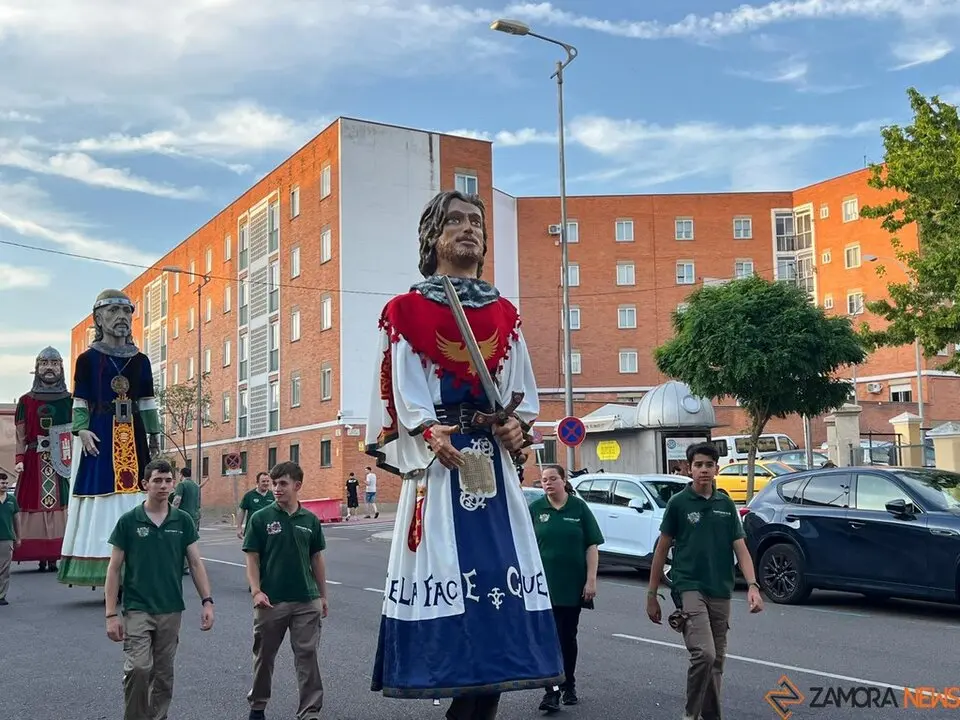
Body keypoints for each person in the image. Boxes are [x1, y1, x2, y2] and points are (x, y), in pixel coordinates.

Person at [364, 189, 563, 719]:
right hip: (443, 464)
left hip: (492, 467)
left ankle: (485, 690)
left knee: (501, 575)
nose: (469, 228)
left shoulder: (504, 313)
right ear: (433, 237)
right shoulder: (406, 311)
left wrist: (517, 427)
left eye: (475, 220)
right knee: (448, 568)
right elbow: (402, 390)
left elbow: (521, 390)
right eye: (454, 220)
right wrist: (429, 431)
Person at [646, 441, 764, 720]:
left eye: (709, 465)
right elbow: (662, 549)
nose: (704, 470)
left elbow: (740, 548)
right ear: (689, 469)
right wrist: (652, 594)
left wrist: (753, 586)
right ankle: (690, 715)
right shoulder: (678, 503)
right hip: (688, 586)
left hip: (720, 588)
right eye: (698, 465)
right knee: (705, 654)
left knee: (717, 661)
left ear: (716, 469)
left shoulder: (725, 504)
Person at [59, 289, 161, 589]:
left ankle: (139, 568)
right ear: (98, 318)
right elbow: (80, 400)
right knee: (101, 493)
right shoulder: (87, 359)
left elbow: (147, 402)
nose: (121, 317)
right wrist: (81, 429)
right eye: (113, 311)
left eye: (127, 311)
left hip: (135, 434)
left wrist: (154, 435)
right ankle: (105, 567)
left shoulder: (141, 360)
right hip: (100, 433)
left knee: (137, 490)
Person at [104, 458, 215, 720]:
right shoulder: (129, 521)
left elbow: (195, 563)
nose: (163, 486)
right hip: (138, 608)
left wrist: (207, 601)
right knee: (139, 668)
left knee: (163, 675)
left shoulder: (182, 521)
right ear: (145, 484)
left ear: (173, 484)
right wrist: (111, 614)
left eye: (167, 481)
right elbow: (114, 569)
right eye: (157, 481)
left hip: (170, 608)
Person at [243, 461, 328, 720]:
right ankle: (258, 706)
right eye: (274, 483)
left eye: (282, 484)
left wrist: (323, 596)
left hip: (306, 600)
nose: (276, 489)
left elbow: (316, 558)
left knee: (307, 656)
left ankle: (309, 711)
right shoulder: (261, 518)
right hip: (271, 601)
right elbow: (252, 558)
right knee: (264, 656)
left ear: (297, 485)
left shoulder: (310, 520)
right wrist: (256, 591)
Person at [529, 464, 603, 711]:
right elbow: (524, 545)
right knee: (549, 638)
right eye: (544, 480)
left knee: (567, 636)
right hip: (543, 588)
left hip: (572, 585)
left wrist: (591, 580)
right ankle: (551, 692)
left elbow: (592, 545)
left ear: (563, 481)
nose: (548, 483)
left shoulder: (579, 508)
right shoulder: (536, 509)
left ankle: (568, 683)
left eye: (553, 479)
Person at [12, 346, 73, 572]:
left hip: (61, 462)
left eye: (54, 364)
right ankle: (37, 553)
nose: (49, 368)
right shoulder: (26, 401)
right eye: (45, 363)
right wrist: (19, 458)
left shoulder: (70, 400)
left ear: (61, 368)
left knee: (60, 506)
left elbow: (75, 432)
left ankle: (54, 554)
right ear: (37, 368)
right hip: (33, 460)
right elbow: (20, 434)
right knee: (32, 503)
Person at [171, 466, 201, 574]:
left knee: (180, 541)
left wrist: (171, 513)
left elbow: (177, 500)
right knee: (190, 542)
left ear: (181, 474)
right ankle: (192, 564)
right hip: (195, 516)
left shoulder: (182, 485)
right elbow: (198, 502)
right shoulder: (196, 486)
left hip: (183, 516)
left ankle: (184, 566)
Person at [0, 472, 21, 606]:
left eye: (6, 483)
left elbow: (16, 520)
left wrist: (18, 537)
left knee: (4, 569)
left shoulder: (11, 500)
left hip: (6, 538)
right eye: (2, 483)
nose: (5, 485)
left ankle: (1, 595)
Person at [237, 471, 275, 539]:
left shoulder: (273, 496)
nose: (266, 483)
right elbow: (242, 510)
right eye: (263, 481)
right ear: (257, 482)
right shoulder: (249, 495)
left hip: (269, 532)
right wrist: (239, 527)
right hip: (252, 531)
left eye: (267, 481)